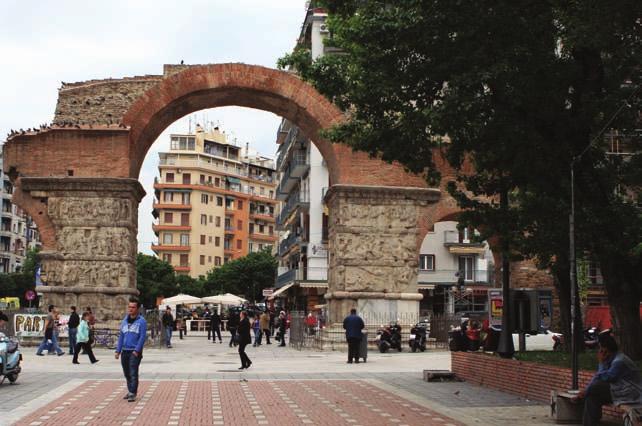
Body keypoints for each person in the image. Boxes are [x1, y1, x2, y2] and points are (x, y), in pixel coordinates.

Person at [576, 334, 642, 425]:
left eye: (600, 347)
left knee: (596, 386)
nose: (599, 350)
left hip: (631, 394)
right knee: (592, 397)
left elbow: (608, 378)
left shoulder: (619, 360)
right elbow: (598, 376)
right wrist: (586, 391)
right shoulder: (610, 358)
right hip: (618, 391)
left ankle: (582, 398)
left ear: (605, 349)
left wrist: (601, 363)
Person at [115, 297, 147, 402]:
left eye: (133, 307)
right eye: (129, 307)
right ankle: (130, 391)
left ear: (137, 308)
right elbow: (121, 336)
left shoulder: (141, 322)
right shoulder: (124, 321)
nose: (130, 309)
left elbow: (142, 337)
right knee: (127, 373)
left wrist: (137, 350)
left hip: (134, 351)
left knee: (133, 372)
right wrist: (118, 350)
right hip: (125, 350)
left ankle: (133, 392)